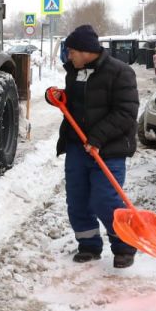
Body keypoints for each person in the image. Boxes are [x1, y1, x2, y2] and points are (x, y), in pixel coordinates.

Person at [50, 24, 140, 268]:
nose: (68, 57)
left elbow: (126, 113)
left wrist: (97, 138)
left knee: (104, 199)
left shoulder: (120, 73)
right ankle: (88, 245)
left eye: (71, 52)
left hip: (108, 148)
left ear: (85, 50)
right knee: (77, 199)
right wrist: (56, 98)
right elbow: (75, 105)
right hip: (78, 147)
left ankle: (124, 245)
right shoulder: (75, 72)